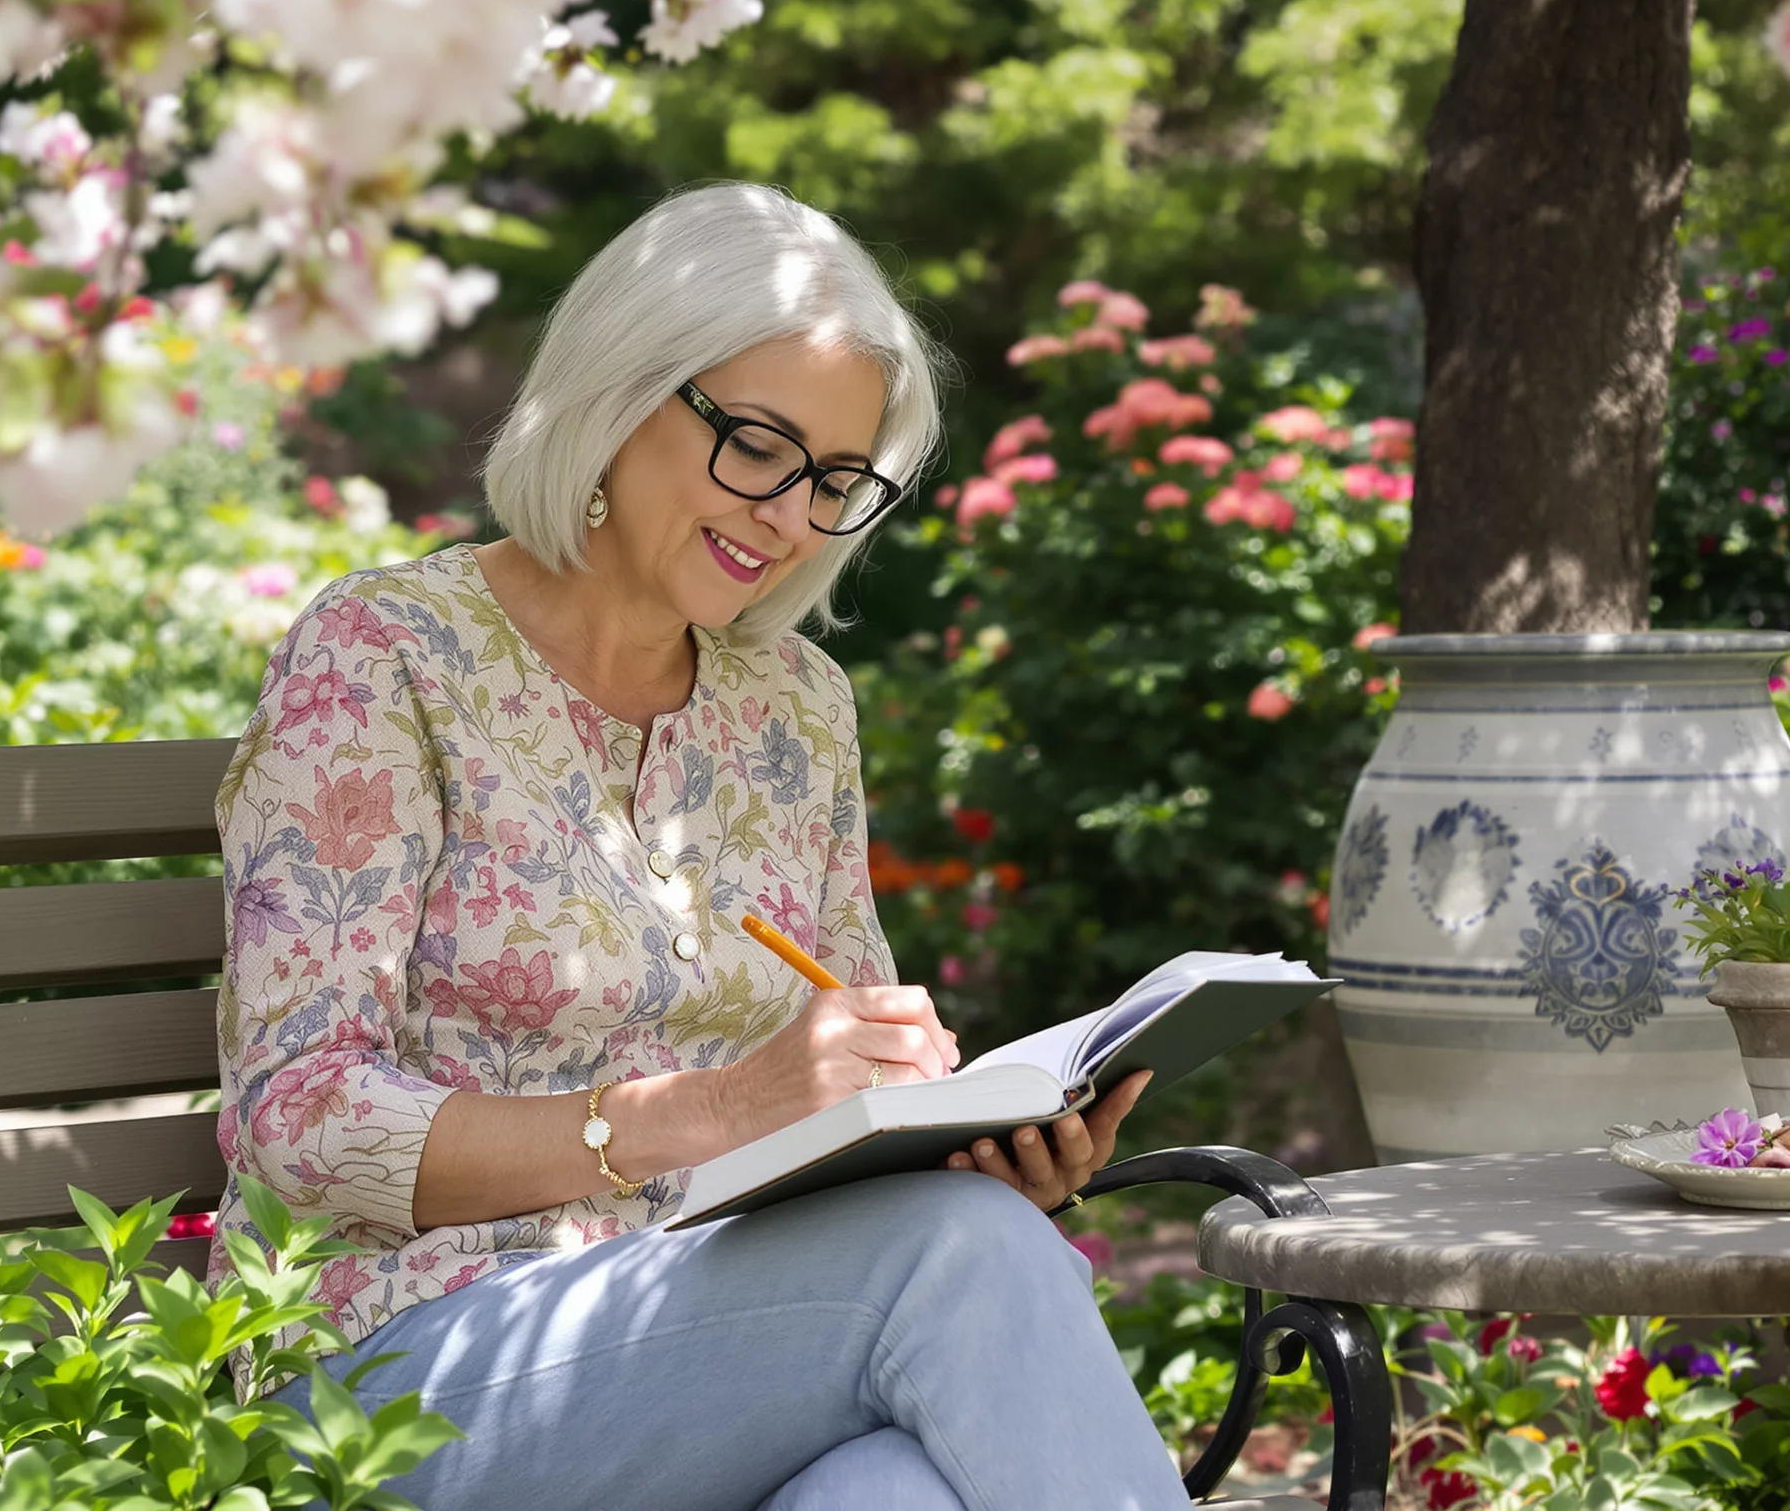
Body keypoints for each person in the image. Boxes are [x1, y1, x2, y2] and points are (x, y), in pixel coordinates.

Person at [213, 184, 1191, 1510]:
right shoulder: (386, 657)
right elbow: (300, 1122)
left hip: (717, 1342)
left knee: (888, 1498)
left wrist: (966, 1137)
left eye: (835, 479)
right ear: (623, 391)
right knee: (956, 1256)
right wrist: (716, 1111)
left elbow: (837, 1084)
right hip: (395, 1367)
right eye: (757, 446)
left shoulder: (796, 707)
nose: (790, 513)